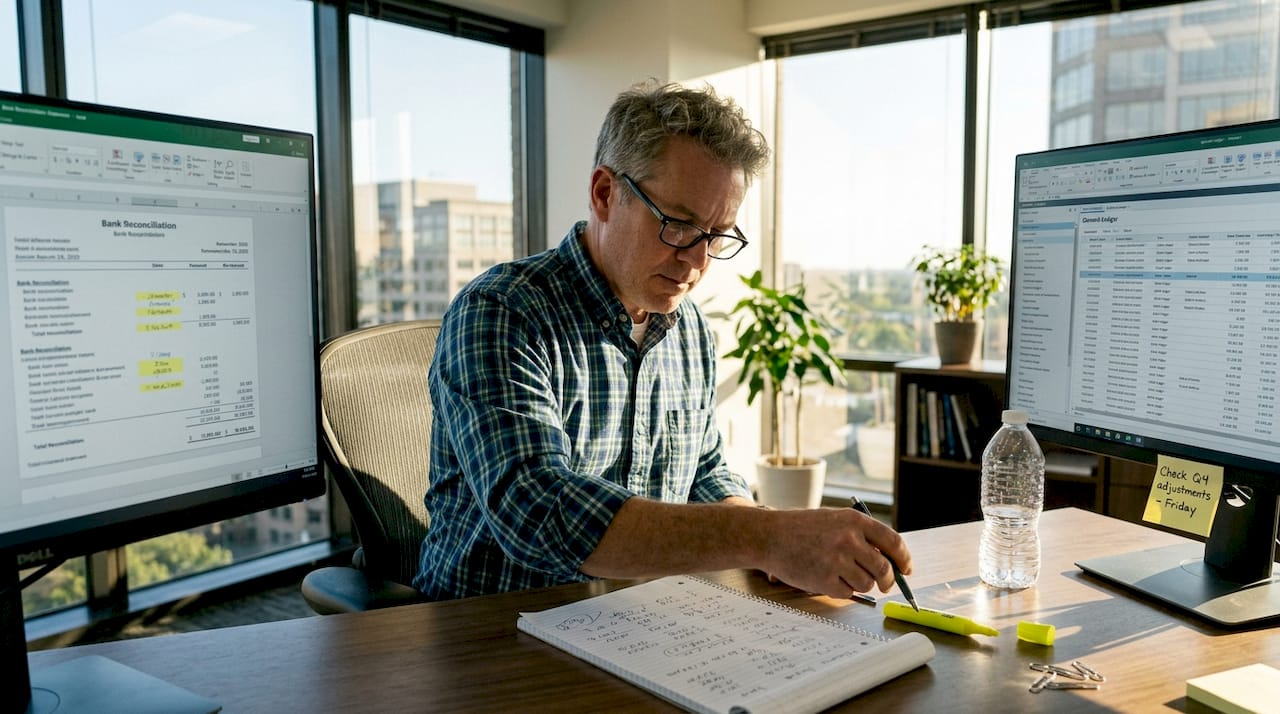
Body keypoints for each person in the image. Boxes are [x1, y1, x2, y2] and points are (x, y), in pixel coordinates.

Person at [414, 80, 912, 602]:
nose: (697, 262)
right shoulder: (503, 312)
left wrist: (773, 541)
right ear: (605, 194)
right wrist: (770, 538)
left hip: (634, 627)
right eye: (679, 225)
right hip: (487, 637)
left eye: (718, 235)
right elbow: (538, 511)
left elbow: (705, 471)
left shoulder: (689, 330)